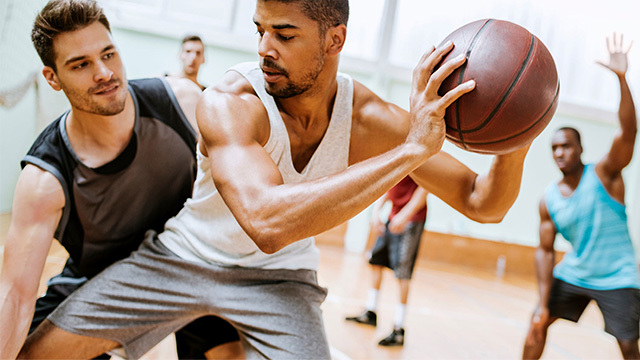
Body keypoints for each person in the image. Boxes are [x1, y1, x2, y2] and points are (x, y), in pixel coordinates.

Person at [18, 0, 533, 358]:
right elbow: (266, 221)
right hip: (182, 259)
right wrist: (411, 152)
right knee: (35, 355)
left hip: (279, 280)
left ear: (335, 40)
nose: (265, 47)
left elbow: (483, 203)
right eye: (259, 30)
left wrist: (521, 129)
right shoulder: (232, 101)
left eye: (284, 35)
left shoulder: (372, 120)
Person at [0, 1, 243, 359]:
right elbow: (16, 295)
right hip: (100, 278)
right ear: (52, 77)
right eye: (81, 64)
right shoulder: (43, 179)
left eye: (108, 54)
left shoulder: (183, 101)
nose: (103, 72)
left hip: (192, 262)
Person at [522, 33, 639, 360]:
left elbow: (628, 132)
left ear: (581, 149)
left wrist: (621, 78)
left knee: (630, 346)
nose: (560, 152)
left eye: (567, 146)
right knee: (536, 325)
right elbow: (545, 252)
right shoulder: (549, 199)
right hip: (575, 272)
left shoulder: (605, 174)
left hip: (619, 275)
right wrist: (542, 306)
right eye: (555, 147)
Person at [346, 176, 428, 346]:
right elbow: (388, 183)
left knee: (402, 273)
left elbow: (425, 189)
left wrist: (405, 215)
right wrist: (376, 212)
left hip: (411, 221)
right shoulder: (395, 152)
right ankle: (371, 312)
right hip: (393, 215)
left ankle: (399, 328)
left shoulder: (422, 157)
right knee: (376, 262)